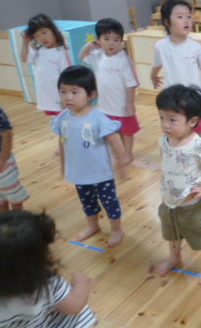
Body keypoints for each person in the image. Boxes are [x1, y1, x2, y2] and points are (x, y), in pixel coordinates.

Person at [156, 84, 201, 283]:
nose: (166, 124)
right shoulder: (164, 140)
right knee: (172, 235)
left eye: (172, 119)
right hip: (168, 203)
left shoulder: (198, 145)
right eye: (162, 117)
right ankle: (174, 257)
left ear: (193, 121)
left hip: (191, 207)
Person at [51, 66, 127, 247]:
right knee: (87, 202)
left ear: (91, 95)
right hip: (79, 172)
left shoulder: (98, 118)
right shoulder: (63, 117)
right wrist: (63, 164)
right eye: (63, 91)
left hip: (101, 173)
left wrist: (121, 164)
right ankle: (93, 226)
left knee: (110, 203)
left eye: (74, 92)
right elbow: (62, 141)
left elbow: (114, 141)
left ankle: (117, 230)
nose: (68, 97)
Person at [151, 0, 201, 140]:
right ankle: (178, 154)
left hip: (194, 99)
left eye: (189, 16)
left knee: (200, 132)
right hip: (172, 100)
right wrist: (153, 76)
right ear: (167, 22)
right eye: (180, 17)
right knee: (173, 132)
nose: (186, 20)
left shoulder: (196, 46)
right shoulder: (161, 46)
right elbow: (157, 64)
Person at [79, 18, 140, 164]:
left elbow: (131, 83)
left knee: (126, 131)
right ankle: (118, 152)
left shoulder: (123, 59)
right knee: (110, 131)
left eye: (116, 39)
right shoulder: (98, 56)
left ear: (121, 41)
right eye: (106, 39)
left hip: (122, 105)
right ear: (98, 40)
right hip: (105, 105)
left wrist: (130, 102)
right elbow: (82, 56)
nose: (111, 43)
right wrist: (89, 46)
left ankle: (128, 153)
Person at [0, 65, 30, 212]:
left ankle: (17, 217)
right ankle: (4, 218)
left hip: (0, 164)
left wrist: (3, 157)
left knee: (12, 193)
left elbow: (6, 134)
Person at [20, 13, 71, 116]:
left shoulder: (61, 52)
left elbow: (67, 77)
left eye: (44, 33)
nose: (42, 38)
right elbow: (25, 58)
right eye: (37, 36)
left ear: (54, 30)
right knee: (56, 120)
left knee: (65, 119)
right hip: (46, 96)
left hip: (59, 96)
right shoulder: (39, 51)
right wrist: (25, 42)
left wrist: (67, 97)